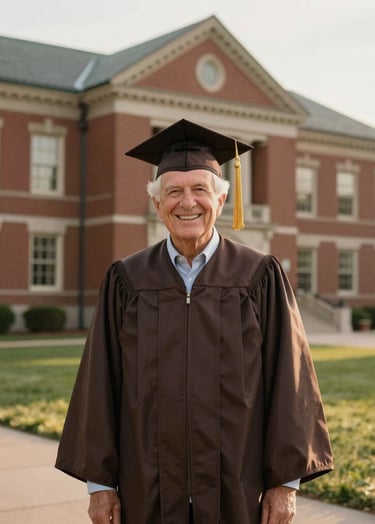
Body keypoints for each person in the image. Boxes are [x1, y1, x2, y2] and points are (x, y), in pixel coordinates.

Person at [56, 119, 333, 524]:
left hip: (237, 487)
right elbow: (100, 384)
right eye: (174, 192)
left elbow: (291, 381)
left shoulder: (259, 276)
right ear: (157, 204)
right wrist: (100, 488)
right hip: (146, 488)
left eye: (200, 189)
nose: (188, 203)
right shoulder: (127, 280)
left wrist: (284, 485)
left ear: (221, 200)